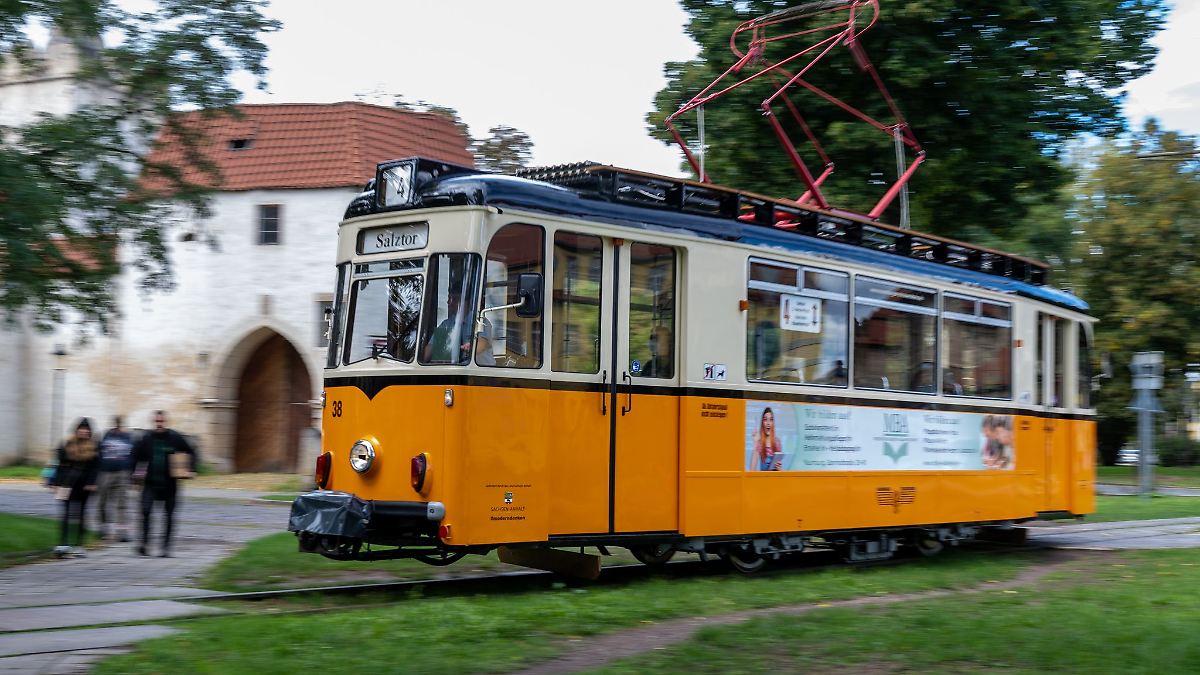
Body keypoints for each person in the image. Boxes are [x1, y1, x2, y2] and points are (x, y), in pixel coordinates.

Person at [133, 411, 196, 557]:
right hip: (150, 484)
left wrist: (190, 469)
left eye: (161, 421)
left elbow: (191, 451)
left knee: (168, 516)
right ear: (153, 422)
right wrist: (133, 473)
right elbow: (135, 455)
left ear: (166, 422)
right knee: (146, 511)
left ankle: (166, 547)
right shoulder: (146, 438)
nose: (159, 424)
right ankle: (144, 543)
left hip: (170, 485)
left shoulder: (175, 437)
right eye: (156, 421)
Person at [50, 418, 99, 557]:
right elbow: (57, 463)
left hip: (84, 485)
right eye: (81, 428)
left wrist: (92, 482)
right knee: (65, 514)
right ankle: (62, 544)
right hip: (66, 482)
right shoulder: (66, 443)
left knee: (82, 514)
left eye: (86, 429)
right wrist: (54, 482)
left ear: (89, 432)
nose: (83, 431)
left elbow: (95, 467)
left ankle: (79, 544)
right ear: (76, 430)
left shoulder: (94, 447)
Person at [96, 415, 134, 542]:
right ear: (113, 423)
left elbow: (133, 454)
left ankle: (122, 532)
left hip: (123, 473)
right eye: (116, 422)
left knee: (122, 503)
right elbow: (99, 452)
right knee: (103, 502)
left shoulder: (127, 436)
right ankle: (104, 529)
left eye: (120, 423)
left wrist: (132, 472)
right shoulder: (106, 435)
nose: (118, 425)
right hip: (105, 472)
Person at [751, 407, 783, 471]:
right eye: (765, 419)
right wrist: (755, 443)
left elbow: (780, 471)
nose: (768, 423)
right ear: (762, 423)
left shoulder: (777, 442)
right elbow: (752, 470)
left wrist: (779, 468)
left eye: (771, 419)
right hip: (763, 480)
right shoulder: (759, 443)